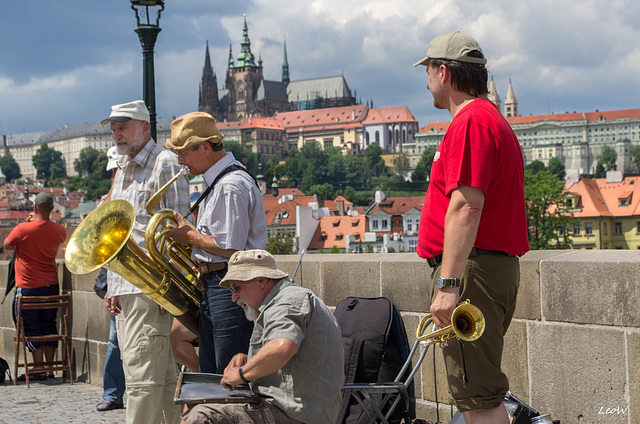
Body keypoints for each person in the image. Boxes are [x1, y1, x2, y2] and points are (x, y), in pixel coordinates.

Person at [413, 31, 529, 424]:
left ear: (443, 72)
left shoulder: (471, 122)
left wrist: (448, 284)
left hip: (471, 273)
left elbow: (465, 207)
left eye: (428, 70)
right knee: (477, 394)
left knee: (479, 399)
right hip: (483, 269)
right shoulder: (489, 118)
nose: (426, 80)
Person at [101, 100, 190, 424]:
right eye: (114, 129)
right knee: (163, 381)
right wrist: (113, 284)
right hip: (128, 287)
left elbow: (177, 229)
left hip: (150, 288)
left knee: (140, 381)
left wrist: (171, 289)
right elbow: (117, 235)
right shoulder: (123, 166)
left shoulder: (165, 162)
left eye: (123, 127)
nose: (117, 135)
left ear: (144, 127)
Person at [182, 249, 344, 424]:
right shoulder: (285, 300)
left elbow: (283, 348)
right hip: (294, 410)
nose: (233, 297)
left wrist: (242, 374)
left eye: (236, 287)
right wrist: (250, 360)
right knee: (194, 401)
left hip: (293, 414)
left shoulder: (288, 300)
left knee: (201, 416)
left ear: (261, 280)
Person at [165, 111, 267, 374]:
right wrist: (191, 233)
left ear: (206, 148)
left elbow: (231, 247)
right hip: (218, 285)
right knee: (213, 370)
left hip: (230, 286)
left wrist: (188, 236)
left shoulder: (230, 185)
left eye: (184, 153)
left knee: (227, 371)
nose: (180, 161)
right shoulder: (219, 182)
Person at [4, 192, 66, 381]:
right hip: (51, 286)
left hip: (28, 286)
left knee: (29, 326)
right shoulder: (60, 230)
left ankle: (37, 369)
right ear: (52, 209)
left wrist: (28, 223)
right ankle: (49, 368)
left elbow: (7, 245)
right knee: (49, 324)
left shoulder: (23, 229)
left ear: (35, 208)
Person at [96, 146, 126, 412]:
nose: (116, 175)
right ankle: (113, 393)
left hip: (135, 280)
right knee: (116, 340)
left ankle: (114, 393)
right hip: (116, 278)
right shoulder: (106, 202)